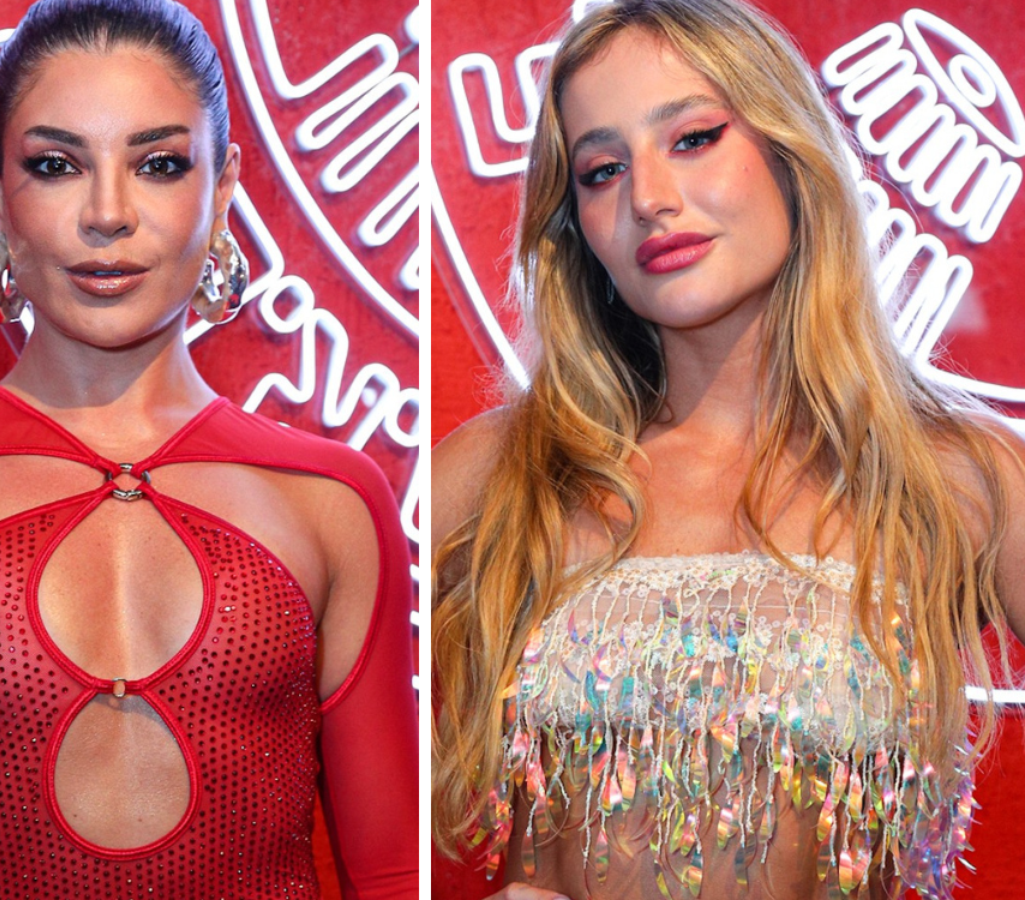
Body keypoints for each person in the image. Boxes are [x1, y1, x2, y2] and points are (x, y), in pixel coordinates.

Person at [431, 1, 1025, 899]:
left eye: (695, 138)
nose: (648, 198)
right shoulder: (505, 473)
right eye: (601, 170)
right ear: (575, 224)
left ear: (791, 155)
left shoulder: (955, 476)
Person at [0, 1, 417, 898]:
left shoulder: (333, 503)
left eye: (160, 164)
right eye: (56, 165)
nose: (107, 214)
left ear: (223, 188)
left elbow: (398, 871)